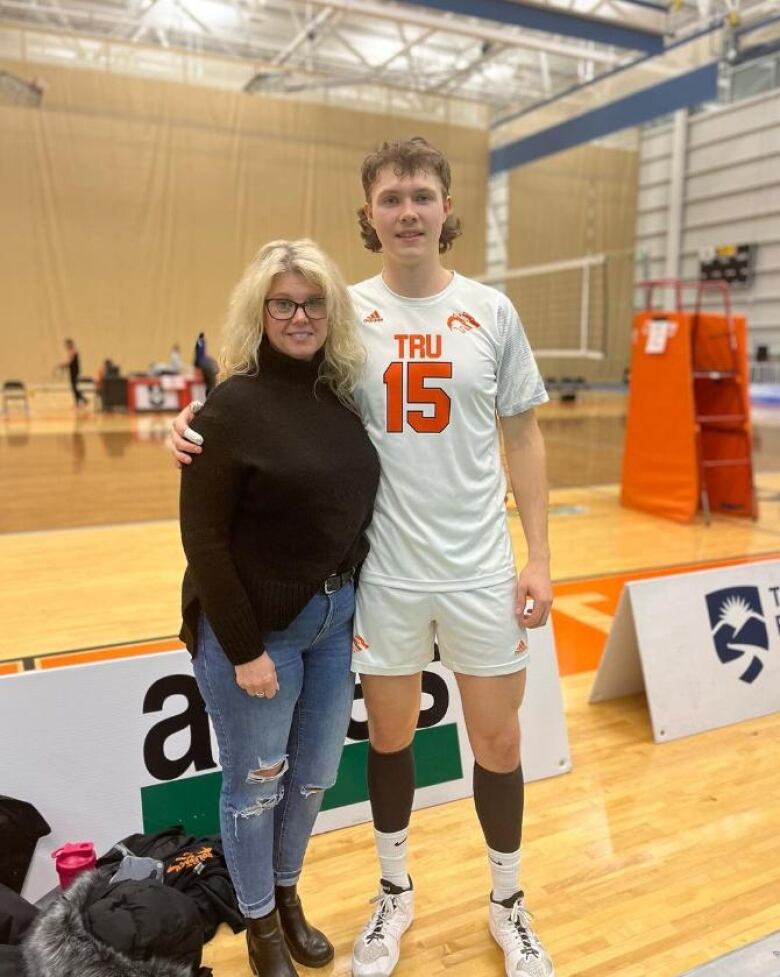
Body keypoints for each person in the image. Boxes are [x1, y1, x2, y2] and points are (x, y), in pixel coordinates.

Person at [172, 138, 554, 977]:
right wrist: (196, 421)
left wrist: (539, 554)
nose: (408, 211)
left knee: (498, 744)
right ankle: (393, 890)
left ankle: (508, 902)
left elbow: (523, 434)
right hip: (380, 573)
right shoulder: (346, 311)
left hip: (481, 567)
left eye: (423, 196)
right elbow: (268, 376)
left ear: (447, 209)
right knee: (388, 741)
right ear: (370, 213)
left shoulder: (493, 312)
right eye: (391, 198)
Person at [179, 239, 380, 977]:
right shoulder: (230, 406)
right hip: (257, 632)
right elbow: (202, 538)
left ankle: (286, 894)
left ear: (332, 309)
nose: (300, 315)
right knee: (254, 785)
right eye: (284, 303)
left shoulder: (340, 394)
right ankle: (260, 922)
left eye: (313, 302)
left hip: (333, 623)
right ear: (260, 312)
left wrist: (354, 602)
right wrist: (241, 648)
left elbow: (347, 509)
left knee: (313, 777)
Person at [60, 338, 86, 407]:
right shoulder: (71, 351)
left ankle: (80, 401)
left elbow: (69, 361)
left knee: (74, 387)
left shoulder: (73, 351)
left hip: (75, 371)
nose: (66, 346)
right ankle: (82, 399)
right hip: (72, 371)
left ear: (70, 344)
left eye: (67, 344)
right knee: (74, 386)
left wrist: (63, 365)